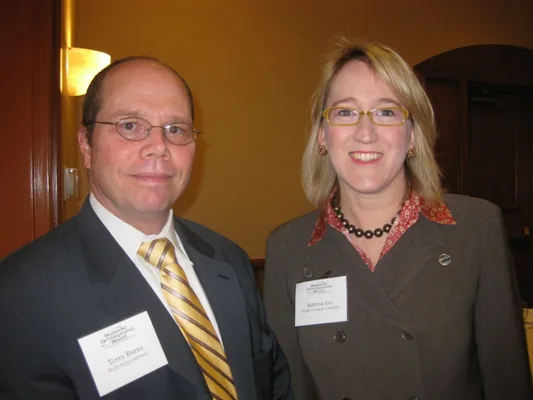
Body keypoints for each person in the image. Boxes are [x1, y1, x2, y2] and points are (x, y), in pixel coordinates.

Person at [0, 56, 293, 400]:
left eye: (176, 129)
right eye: (130, 125)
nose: (159, 147)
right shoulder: (20, 295)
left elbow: (273, 385)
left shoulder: (229, 258)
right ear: (86, 144)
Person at [263, 39, 532, 400]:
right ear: (322, 135)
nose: (365, 132)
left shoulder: (475, 228)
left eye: (387, 112)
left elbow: (507, 379)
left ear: (413, 136)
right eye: (345, 112)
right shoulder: (288, 247)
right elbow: (289, 388)